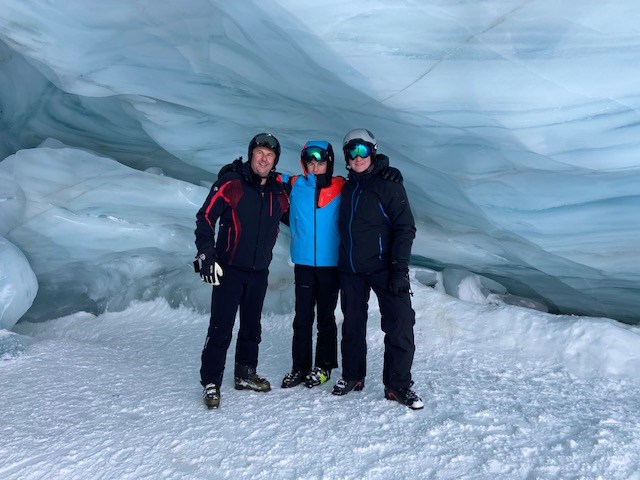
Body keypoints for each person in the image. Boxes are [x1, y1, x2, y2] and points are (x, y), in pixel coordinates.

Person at [194, 132, 289, 409]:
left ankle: (245, 374)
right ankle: (211, 382)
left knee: (252, 326)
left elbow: (302, 216)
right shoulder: (231, 182)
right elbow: (206, 217)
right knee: (221, 327)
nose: (264, 158)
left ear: (275, 161)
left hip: (259, 271)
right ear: (251, 154)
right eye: (260, 152)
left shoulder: (279, 191)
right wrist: (206, 255)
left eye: (270, 155)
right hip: (229, 269)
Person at [331, 128, 424, 410]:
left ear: (373, 151)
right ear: (346, 157)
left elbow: (405, 228)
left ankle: (397, 384)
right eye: (352, 152)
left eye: (363, 150)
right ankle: (352, 376)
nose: (358, 157)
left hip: (385, 268)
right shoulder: (347, 187)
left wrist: (399, 268)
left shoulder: (389, 185)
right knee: (352, 326)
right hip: (352, 269)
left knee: (400, 325)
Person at [280, 141, 344, 389]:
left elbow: (368, 186)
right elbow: (265, 175)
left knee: (325, 317)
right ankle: (300, 367)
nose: (316, 167)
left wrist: (383, 168)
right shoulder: (296, 185)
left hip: (331, 265)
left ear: (329, 163)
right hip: (304, 263)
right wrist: (237, 170)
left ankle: (324, 366)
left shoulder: (341, 186)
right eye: (311, 163)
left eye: (321, 163)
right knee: (302, 317)